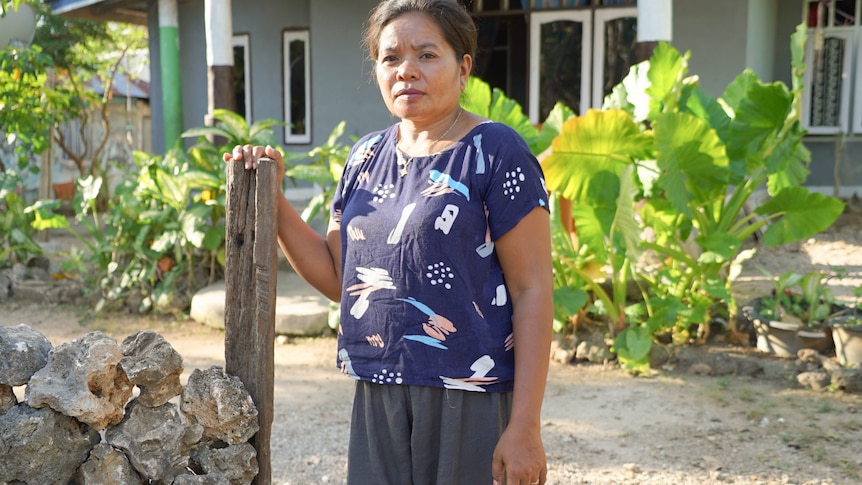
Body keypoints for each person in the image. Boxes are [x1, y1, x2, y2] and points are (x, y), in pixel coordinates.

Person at [224, 1, 553, 483]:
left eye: (426, 55)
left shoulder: (495, 153)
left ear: (463, 68)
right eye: (391, 57)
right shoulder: (365, 157)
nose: (406, 72)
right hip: (378, 385)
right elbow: (340, 278)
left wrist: (525, 426)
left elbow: (533, 291)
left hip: (471, 394)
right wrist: (271, 201)